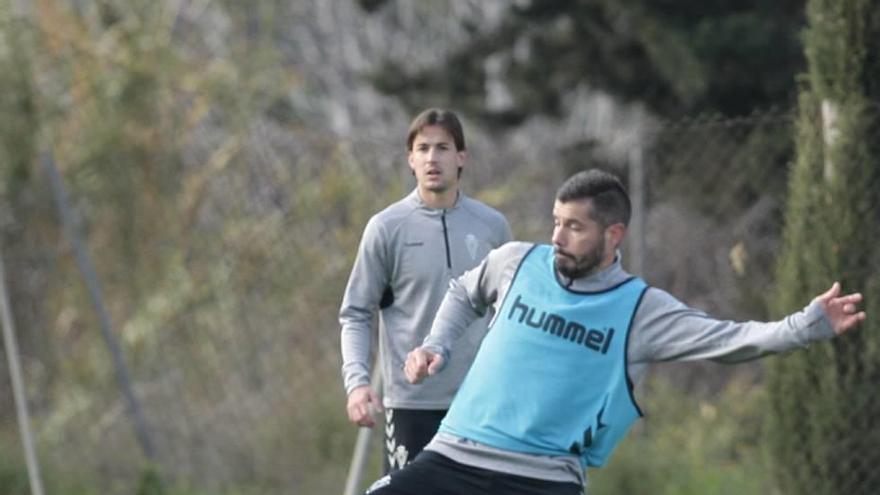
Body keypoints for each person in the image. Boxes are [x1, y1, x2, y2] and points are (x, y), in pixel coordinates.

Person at [364, 168, 867, 495]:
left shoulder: (639, 309)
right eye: (555, 222)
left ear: (613, 235)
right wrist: (437, 345)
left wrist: (807, 326)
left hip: (543, 479)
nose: (556, 237)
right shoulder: (516, 261)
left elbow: (729, 341)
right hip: (455, 455)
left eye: (574, 227)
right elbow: (462, 293)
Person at [339, 108, 513, 473]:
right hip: (411, 406)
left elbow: (508, 314)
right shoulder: (387, 228)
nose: (432, 158)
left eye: (443, 147)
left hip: (479, 404)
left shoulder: (492, 227)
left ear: (461, 157)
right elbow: (356, 312)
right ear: (411, 160)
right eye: (423, 148)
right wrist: (356, 383)